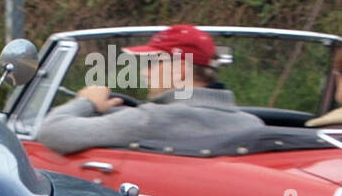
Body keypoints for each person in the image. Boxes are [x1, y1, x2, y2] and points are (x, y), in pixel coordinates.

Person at [37, 24, 264, 155]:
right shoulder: (252, 124)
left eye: (152, 63)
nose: (145, 73)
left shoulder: (150, 120)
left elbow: (52, 132)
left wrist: (88, 102)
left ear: (179, 71)